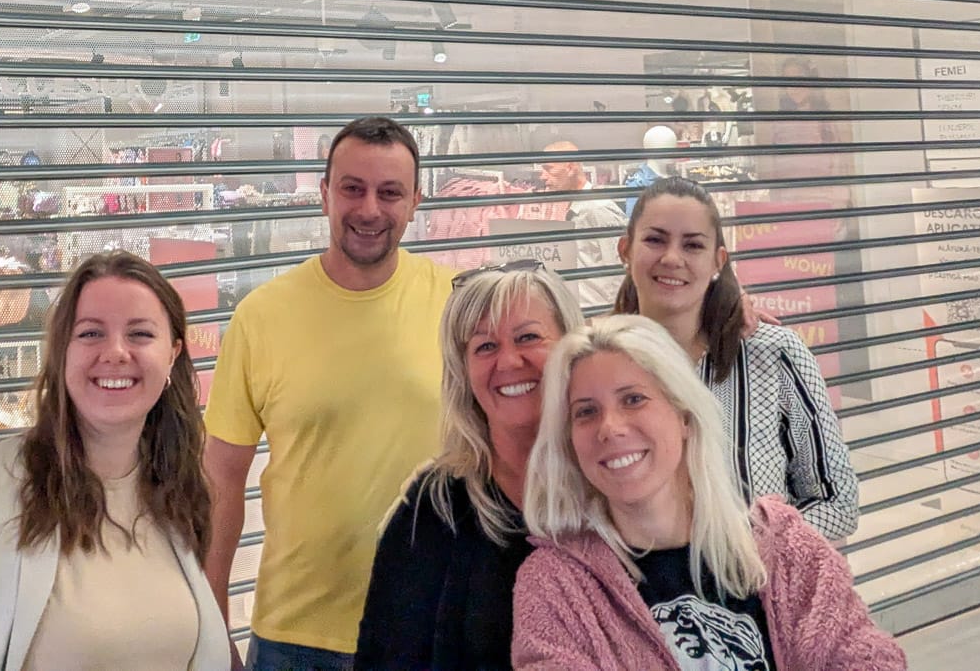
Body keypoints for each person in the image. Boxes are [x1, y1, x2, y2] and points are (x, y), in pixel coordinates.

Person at [512, 315, 906, 670]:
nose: (610, 428)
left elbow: (868, 657)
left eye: (633, 399)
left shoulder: (784, 546)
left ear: (684, 415)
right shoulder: (556, 586)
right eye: (585, 412)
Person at [203, 116, 453, 670]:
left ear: (415, 201)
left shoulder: (457, 305)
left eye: (390, 193)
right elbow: (221, 477)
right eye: (352, 188)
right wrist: (212, 621)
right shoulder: (261, 317)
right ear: (324, 194)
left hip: (427, 629)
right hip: (295, 637)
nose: (369, 209)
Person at [0, 251, 229, 671]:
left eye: (140, 334)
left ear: (173, 353)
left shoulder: (179, 492)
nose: (115, 352)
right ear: (60, 351)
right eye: (90, 333)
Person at [356, 262, 580, 671]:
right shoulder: (434, 508)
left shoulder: (612, 487)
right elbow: (386, 656)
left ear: (572, 346)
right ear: (463, 371)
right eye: (485, 346)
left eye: (528, 337)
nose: (508, 361)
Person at [612, 177, 860, 538]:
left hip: (757, 573)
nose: (672, 258)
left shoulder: (773, 355)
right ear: (625, 250)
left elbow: (838, 503)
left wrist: (738, 550)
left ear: (718, 261)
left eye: (693, 245)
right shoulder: (597, 368)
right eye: (655, 240)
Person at [538, 140, 626, 307]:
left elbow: (619, 270)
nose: (542, 176)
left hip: (600, 313)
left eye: (548, 168)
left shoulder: (598, 209)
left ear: (570, 168)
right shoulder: (578, 209)